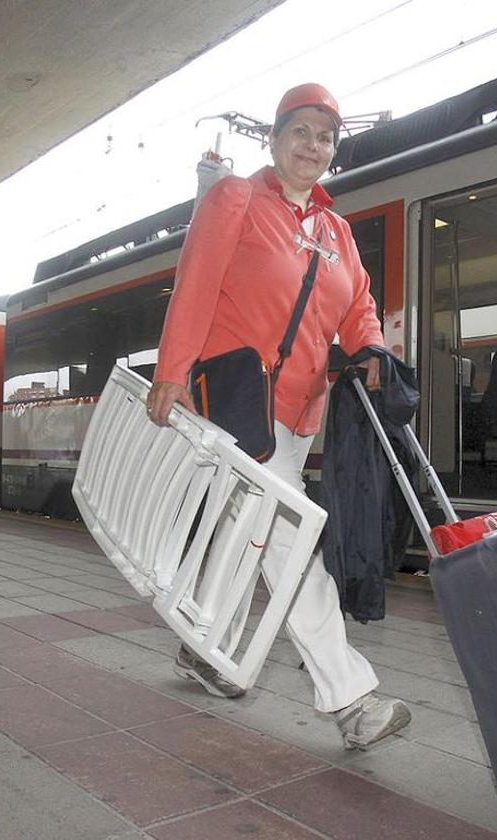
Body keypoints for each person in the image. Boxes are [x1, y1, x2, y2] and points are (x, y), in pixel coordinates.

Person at [147, 83, 411, 750]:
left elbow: (357, 309)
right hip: (237, 405)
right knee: (288, 536)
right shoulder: (236, 199)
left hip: (297, 414)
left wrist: (374, 347)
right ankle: (351, 698)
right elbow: (196, 282)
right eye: (300, 131)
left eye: (324, 137)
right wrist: (172, 372)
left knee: (255, 537)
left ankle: (201, 649)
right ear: (274, 137)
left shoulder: (337, 232)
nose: (312, 146)